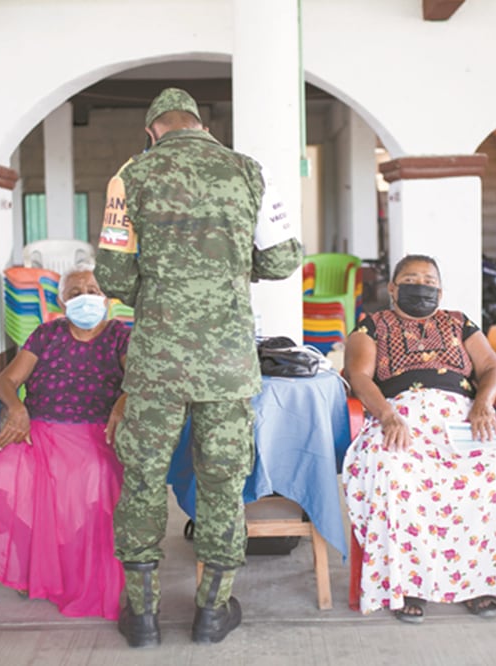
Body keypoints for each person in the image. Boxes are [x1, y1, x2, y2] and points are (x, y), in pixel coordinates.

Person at [95, 87, 303, 647]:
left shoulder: (130, 177)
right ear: (201, 127)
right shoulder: (247, 172)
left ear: (152, 131)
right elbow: (284, 259)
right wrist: (232, 269)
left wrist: (161, 293)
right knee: (221, 485)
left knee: (141, 482)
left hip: (157, 364)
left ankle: (141, 617)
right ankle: (212, 612)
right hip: (228, 364)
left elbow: (112, 278)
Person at [342, 254, 496, 623]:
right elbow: (359, 376)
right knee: (392, 471)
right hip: (401, 416)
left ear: (441, 291)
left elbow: (493, 367)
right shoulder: (372, 326)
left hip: (461, 416)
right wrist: (387, 416)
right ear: (392, 288)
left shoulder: (458, 323)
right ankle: (411, 583)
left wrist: (483, 403)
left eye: (430, 282)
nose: (422, 287)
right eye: (412, 279)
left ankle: (480, 579)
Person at [0, 264, 129, 620]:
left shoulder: (120, 336)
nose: (86, 297)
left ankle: (66, 570)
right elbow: (6, 380)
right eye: (75, 292)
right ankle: (32, 566)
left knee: (94, 479)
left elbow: (139, 382)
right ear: (61, 302)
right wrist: (17, 408)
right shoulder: (46, 334)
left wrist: (121, 403)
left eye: (93, 290)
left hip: (95, 433)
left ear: (107, 299)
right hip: (39, 430)